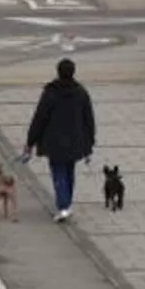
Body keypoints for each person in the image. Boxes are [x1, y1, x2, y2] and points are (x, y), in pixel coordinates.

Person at [24, 58, 96, 223]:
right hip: (75, 140)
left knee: (58, 172)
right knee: (69, 172)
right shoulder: (81, 93)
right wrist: (89, 141)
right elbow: (88, 119)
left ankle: (63, 205)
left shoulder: (51, 93)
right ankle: (67, 203)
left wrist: (30, 141)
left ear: (58, 72)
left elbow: (39, 118)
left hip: (54, 141)